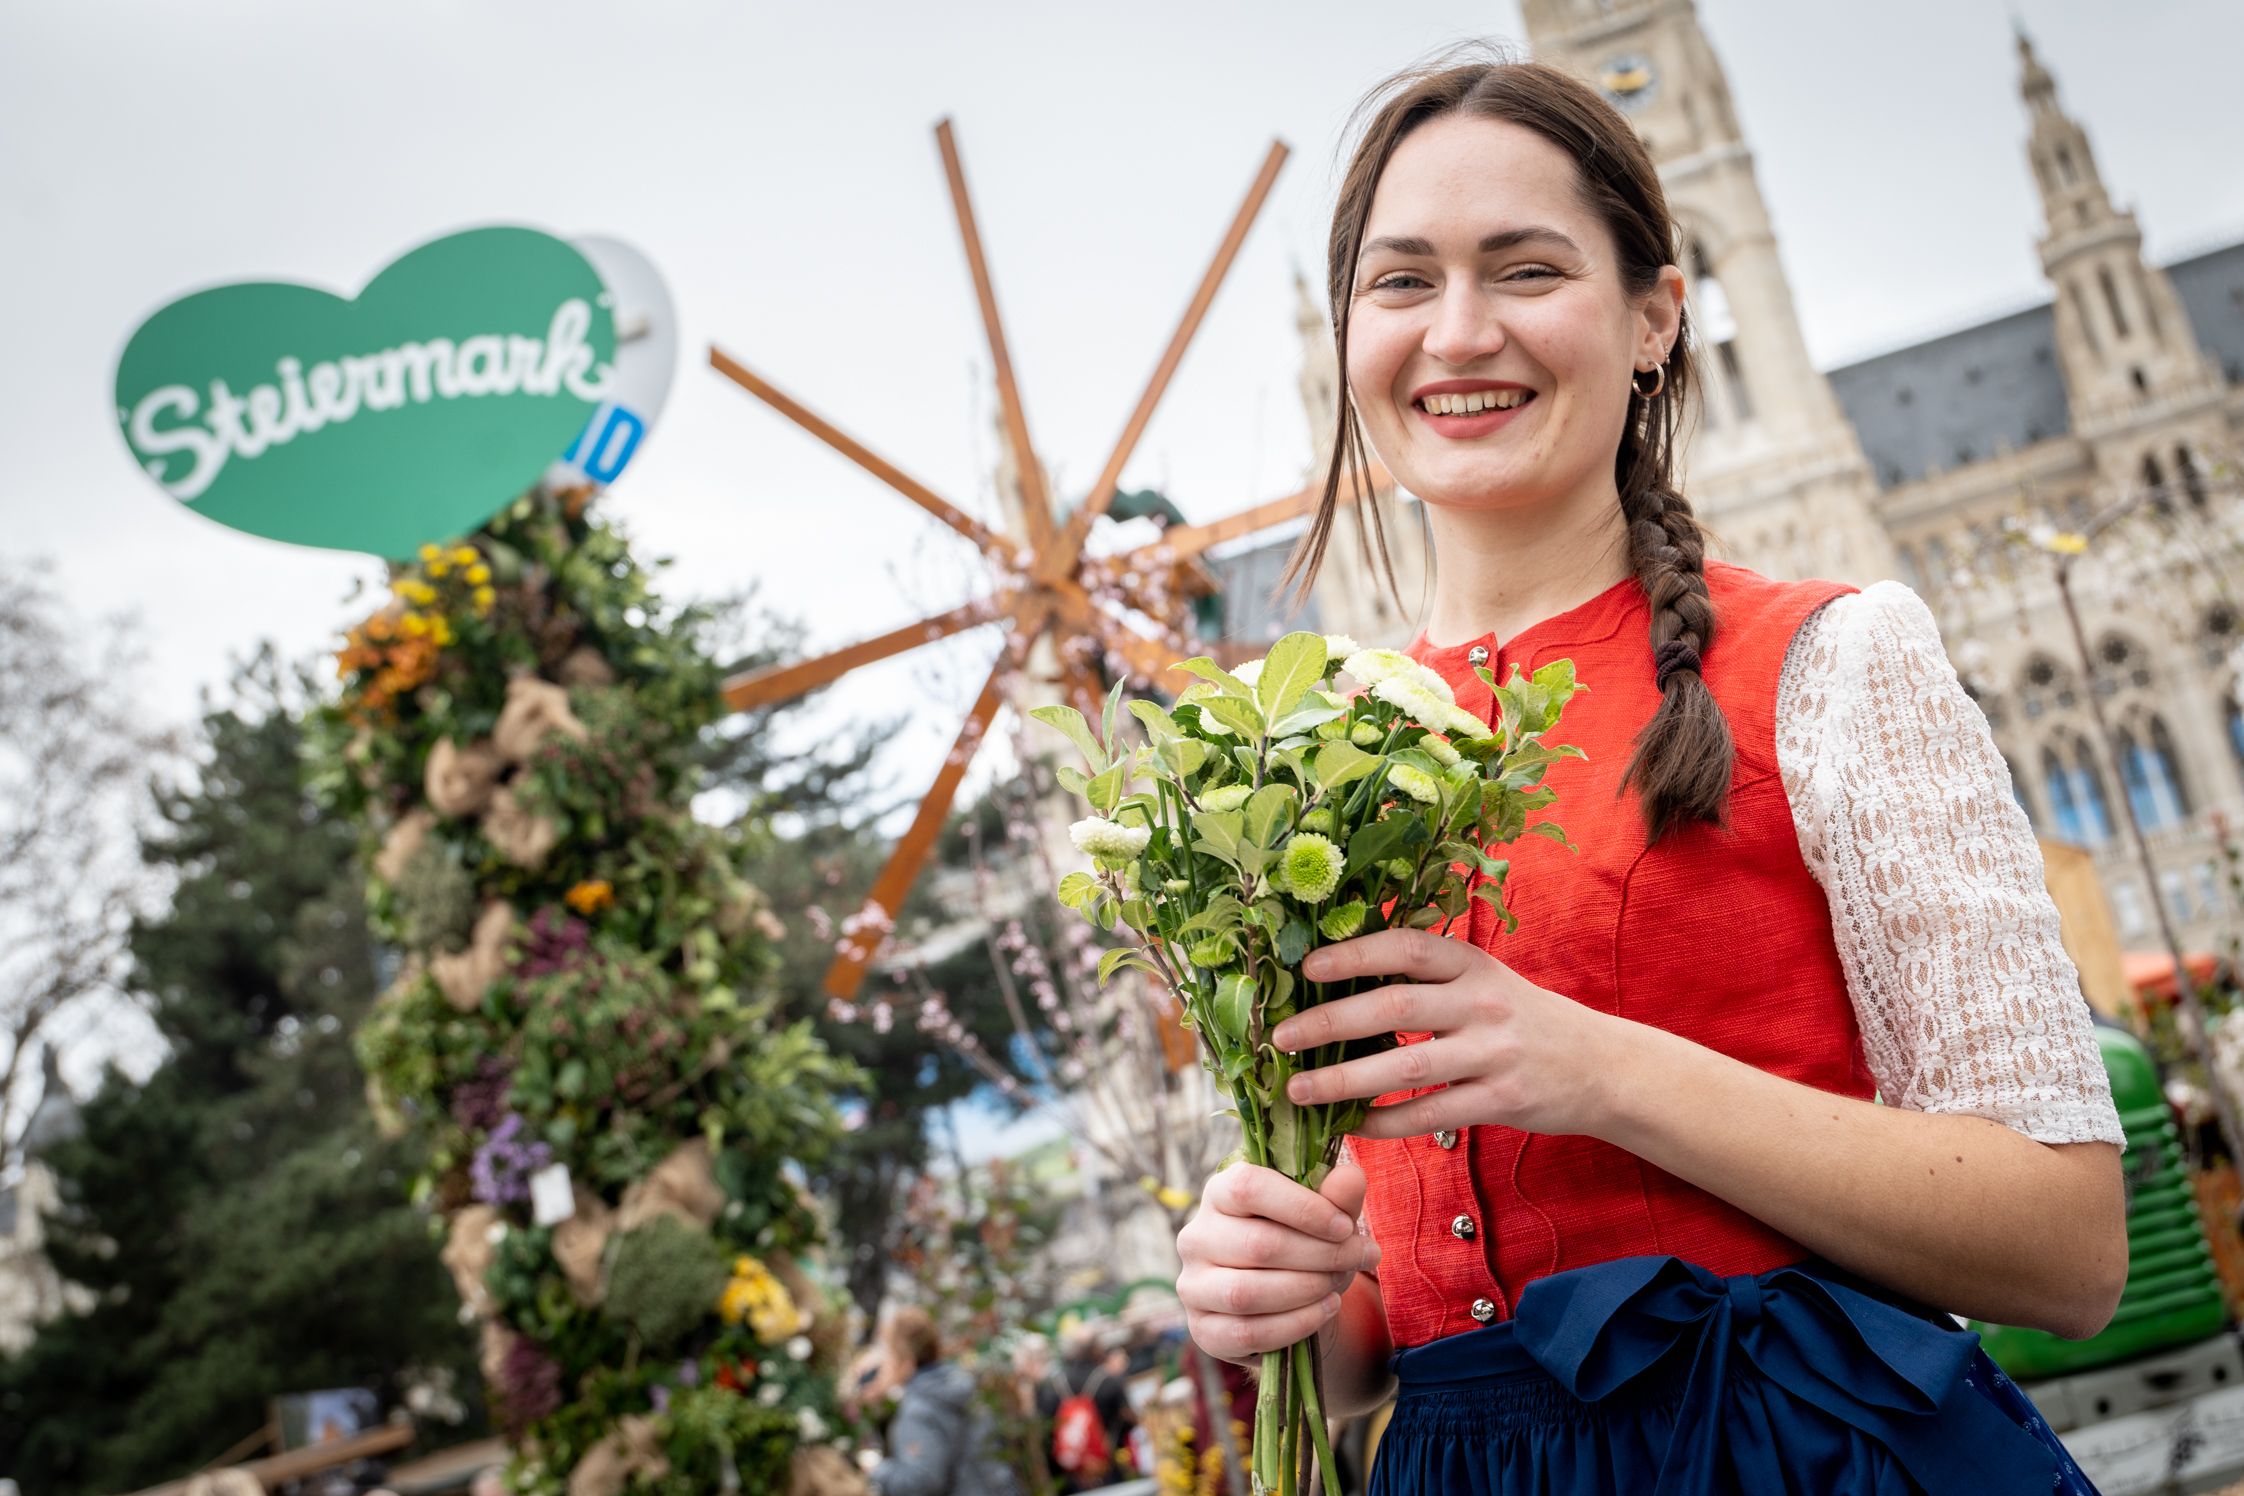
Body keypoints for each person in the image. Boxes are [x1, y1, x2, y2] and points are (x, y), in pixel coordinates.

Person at [1171, 48, 2128, 1496]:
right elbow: (1404, 1299)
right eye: (1404, 281)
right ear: (1347, 338)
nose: (1461, 331)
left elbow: (2067, 1247)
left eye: (1528, 269)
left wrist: (1602, 1070)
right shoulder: (1297, 773)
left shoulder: (1830, 664)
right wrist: (1287, 1295)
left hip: (1796, 1452)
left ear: (1654, 318)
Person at [867, 1306, 1020, 1496]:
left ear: (906, 1361)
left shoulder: (920, 1409)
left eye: (888, 1353)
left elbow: (921, 1482)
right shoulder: (962, 1385)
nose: (883, 1363)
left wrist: (878, 1471)